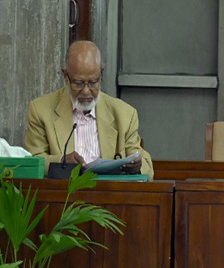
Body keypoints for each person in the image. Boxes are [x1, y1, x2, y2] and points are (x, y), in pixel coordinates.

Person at [25, 40, 152, 176]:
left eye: (92, 83)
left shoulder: (125, 114)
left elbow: (147, 168)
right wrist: (61, 161)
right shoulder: (41, 110)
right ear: (66, 77)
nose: (86, 91)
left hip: (109, 194)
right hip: (63, 194)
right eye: (79, 83)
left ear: (101, 76)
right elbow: (32, 163)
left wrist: (137, 166)